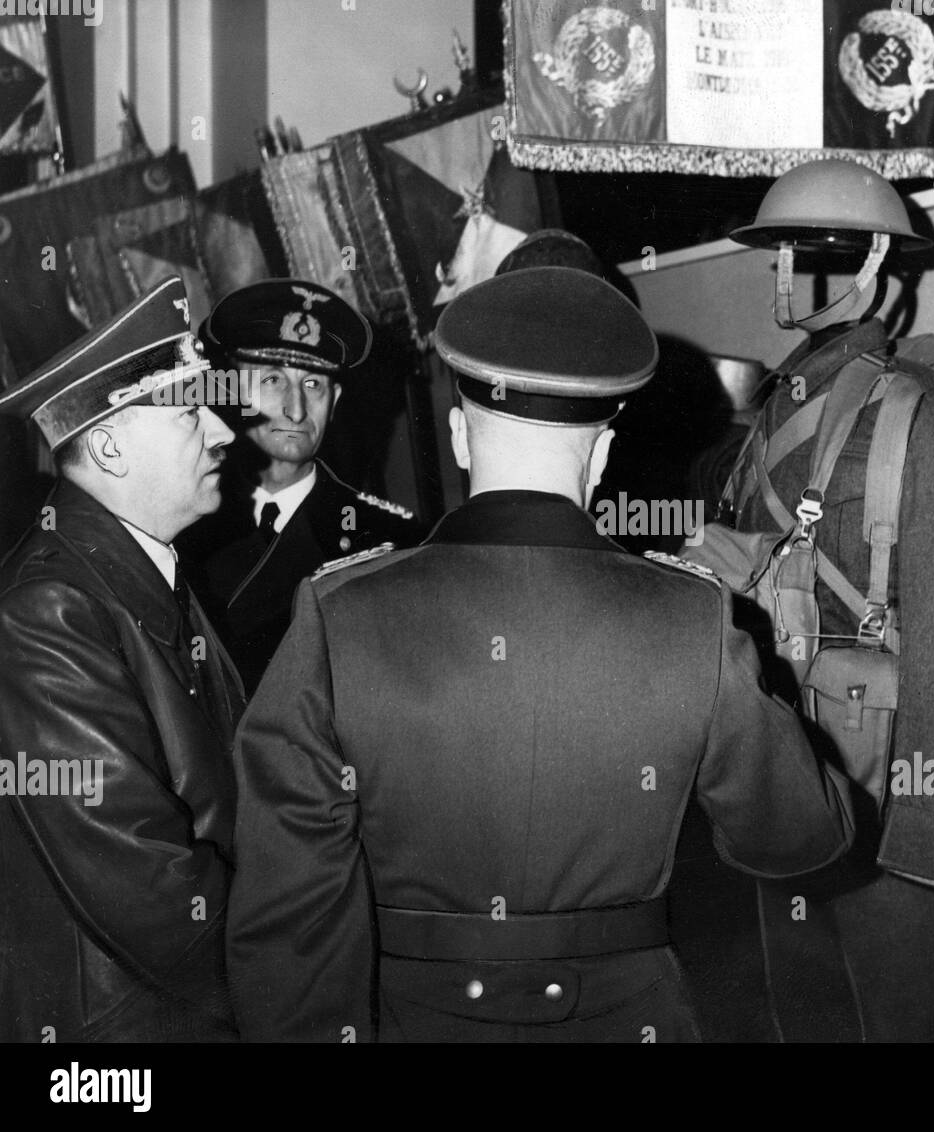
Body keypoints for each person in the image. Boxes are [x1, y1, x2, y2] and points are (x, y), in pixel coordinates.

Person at [225, 265, 855, 1042]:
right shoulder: (690, 618)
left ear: (459, 439)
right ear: (602, 456)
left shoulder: (339, 615)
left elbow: (285, 916)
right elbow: (800, 839)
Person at [722, 158, 934, 1042]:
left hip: (891, 829)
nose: (798, 273)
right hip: (792, 807)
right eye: (789, 255)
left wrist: (927, 859)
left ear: (880, 269)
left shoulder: (927, 420)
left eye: (821, 255)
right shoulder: (774, 414)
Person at [0, 277, 244, 1041]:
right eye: (189, 411)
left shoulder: (143, 567)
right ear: (105, 445)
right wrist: (298, 977)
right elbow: (150, 888)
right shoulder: (47, 611)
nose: (226, 431)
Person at [186, 279, 426, 693]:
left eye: (312, 385)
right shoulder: (183, 522)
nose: (296, 409)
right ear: (232, 391)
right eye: (273, 380)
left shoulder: (389, 540)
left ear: (334, 403)